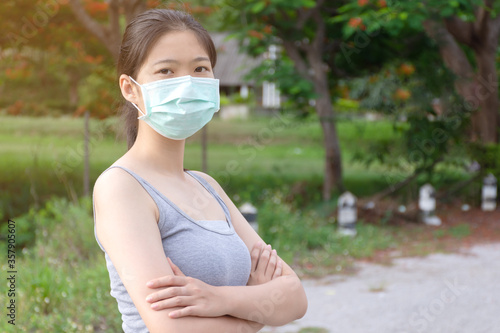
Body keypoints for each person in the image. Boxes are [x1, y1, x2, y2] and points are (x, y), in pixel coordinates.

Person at [92, 8, 307, 333]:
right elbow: (171, 327)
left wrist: (218, 300)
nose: (187, 84)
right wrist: (253, 319)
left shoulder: (206, 186)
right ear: (130, 88)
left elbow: (295, 298)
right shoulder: (121, 188)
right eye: (166, 71)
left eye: (199, 68)